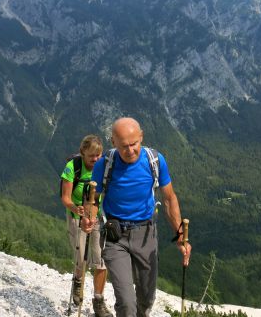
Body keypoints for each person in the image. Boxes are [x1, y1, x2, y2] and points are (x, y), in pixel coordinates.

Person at [82, 117, 192, 317]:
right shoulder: (105, 164)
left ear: (141, 137)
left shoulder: (155, 161)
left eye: (134, 144)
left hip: (146, 234)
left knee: (146, 299)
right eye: (124, 146)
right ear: (113, 142)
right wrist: (88, 217)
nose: (130, 150)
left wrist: (179, 236)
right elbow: (92, 198)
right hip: (115, 237)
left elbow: (169, 199)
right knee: (126, 303)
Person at [61, 134, 114, 317]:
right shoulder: (72, 168)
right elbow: (65, 198)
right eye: (92, 156)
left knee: (101, 260)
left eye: (98, 155)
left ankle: (98, 301)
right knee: (81, 256)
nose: (95, 159)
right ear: (82, 152)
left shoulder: (103, 168)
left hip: (98, 216)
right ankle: (78, 282)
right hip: (77, 215)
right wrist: (78, 210)